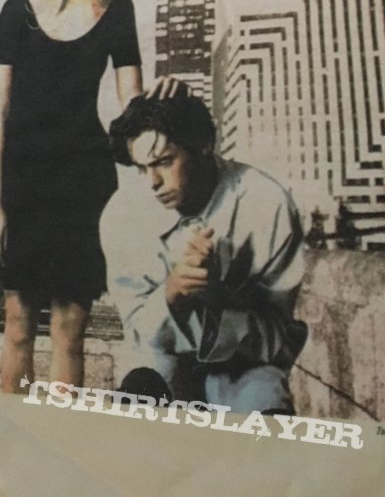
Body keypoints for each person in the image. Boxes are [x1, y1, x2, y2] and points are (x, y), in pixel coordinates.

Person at [0, 0, 164, 393]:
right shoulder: (17, 9)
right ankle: (9, 429)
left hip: (84, 182)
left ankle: (61, 433)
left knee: (69, 332)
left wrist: (157, 133)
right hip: (24, 180)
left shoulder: (117, 9)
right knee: (18, 325)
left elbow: (133, 110)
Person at [103, 91, 308, 415]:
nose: (152, 182)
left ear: (203, 145)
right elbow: (137, 334)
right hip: (160, 357)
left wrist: (217, 296)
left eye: (164, 162)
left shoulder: (267, 202)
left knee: (267, 418)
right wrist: (171, 294)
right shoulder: (121, 214)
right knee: (138, 399)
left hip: (245, 367)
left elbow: (276, 340)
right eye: (141, 168)